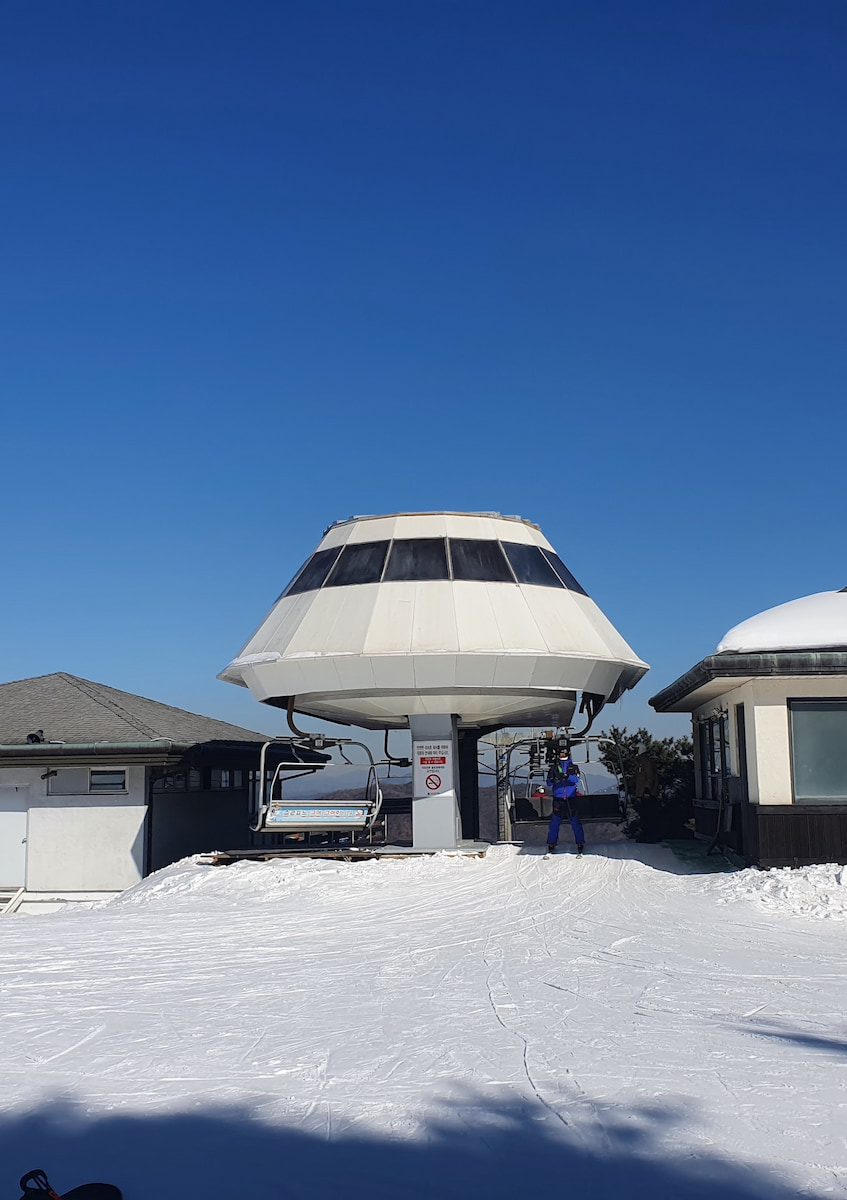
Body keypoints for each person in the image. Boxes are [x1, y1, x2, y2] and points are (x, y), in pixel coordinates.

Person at [546, 751, 585, 854]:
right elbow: (548, 782)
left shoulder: (573, 767)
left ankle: (580, 842)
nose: (562, 756)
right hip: (558, 798)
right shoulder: (554, 768)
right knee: (555, 821)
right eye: (560, 754)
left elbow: (576, 779)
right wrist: (554, 780)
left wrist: (567, 776)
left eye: (564, 754)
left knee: (574, 821)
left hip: (570, 797)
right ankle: (551, 842)